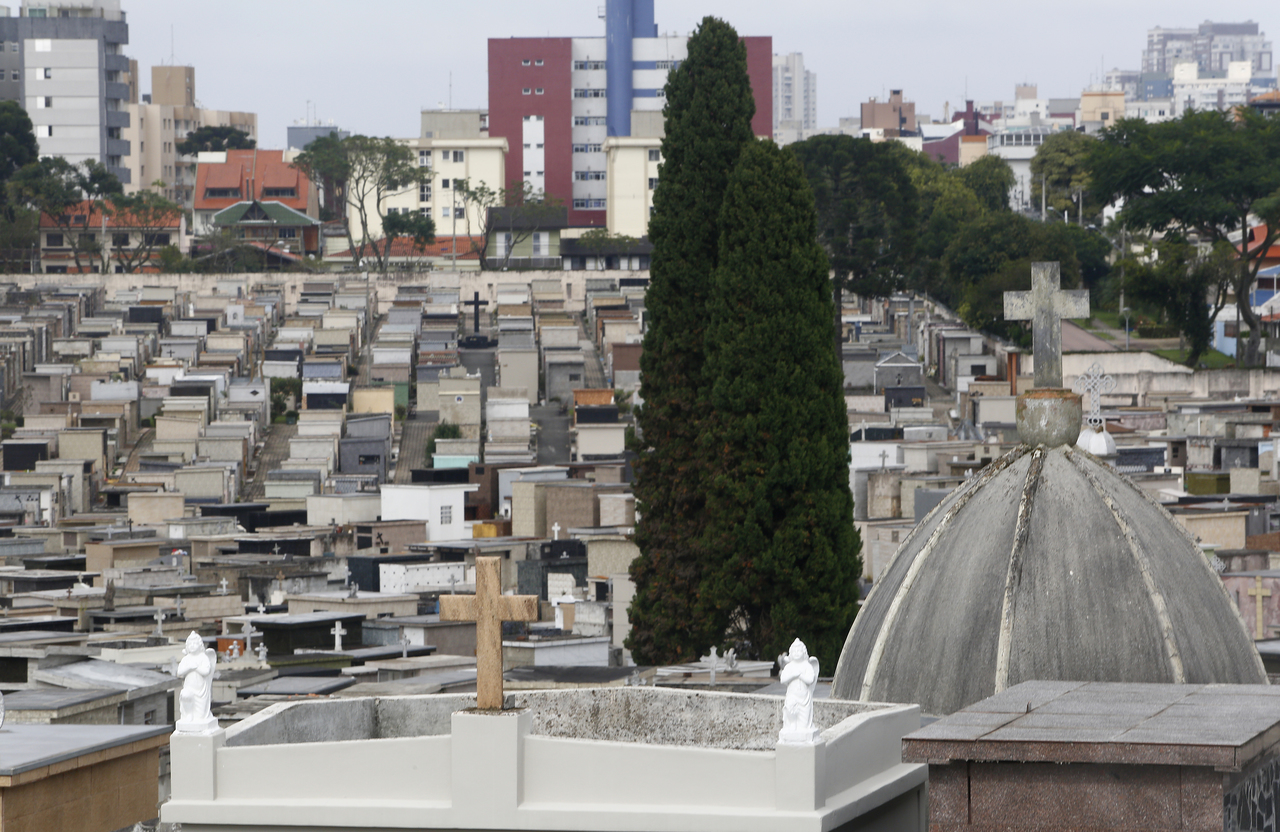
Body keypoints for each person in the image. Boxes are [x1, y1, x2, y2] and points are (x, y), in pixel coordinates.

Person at [779, 638, 819, 743]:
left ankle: (802, 727)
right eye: (794, 651)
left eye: (799, 651)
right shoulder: (789, 666)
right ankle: (792, 724)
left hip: (804, 698)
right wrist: (793, 675)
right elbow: (783, 679)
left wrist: (800, 675)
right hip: (792, 696)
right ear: (791, 653)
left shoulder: (807, 666)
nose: (797, 653)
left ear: (804, 652)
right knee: (790, 709)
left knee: (804, 723)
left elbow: (810, 679)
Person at [177, 631, 215, 728]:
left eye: (195, 644)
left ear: (200, 645)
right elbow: (179, 672)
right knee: (185, 695)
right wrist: (189, 667)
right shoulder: (186, 659)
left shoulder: (203, 657)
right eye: (190, 644)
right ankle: (189, 714)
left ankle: (198, 715)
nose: (192, 646)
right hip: (189, 687)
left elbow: (206, 671)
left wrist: (196, 667)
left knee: (201, 714)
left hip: (201, 690)